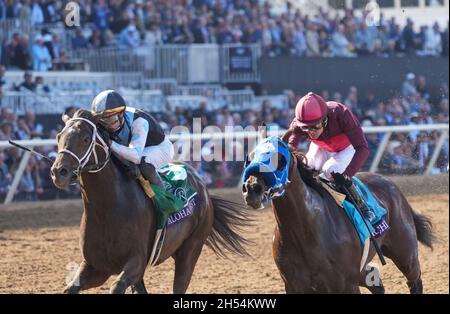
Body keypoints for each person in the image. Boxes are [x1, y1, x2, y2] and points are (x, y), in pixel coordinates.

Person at [287, 92, 374, 222]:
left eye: (315, 126)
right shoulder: (298, 124)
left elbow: (363, 149)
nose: (311, 132)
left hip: (346, 148)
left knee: (331, 170)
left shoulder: (342, 114)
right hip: (321, 147)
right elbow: (290, 150)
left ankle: (362, 206)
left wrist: (347, 175)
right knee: (306, 167)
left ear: (325, 119)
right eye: (306, 128)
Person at [90, 90, 173, 188]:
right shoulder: (106, 123)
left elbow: (136, 156)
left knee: (143, 163)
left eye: (111, 120)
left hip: (160, 149)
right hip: (134, 150)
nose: (108, 126)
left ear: (121, 114)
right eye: (103, 121)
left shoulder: (139, 121)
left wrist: (110, 143)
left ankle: (164, 191)